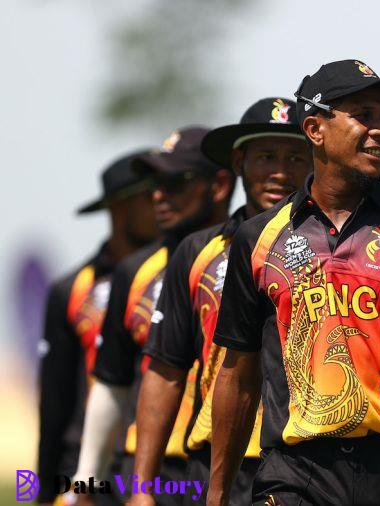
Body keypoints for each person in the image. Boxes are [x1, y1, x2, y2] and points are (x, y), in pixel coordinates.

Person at [207, 59, 380, 506]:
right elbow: (238, 374)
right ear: (315, 129)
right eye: (364, 115)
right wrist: (217, 495)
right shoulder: (258, 238)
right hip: (293, 474)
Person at [129, 97, 312, 505]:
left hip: (303, 461)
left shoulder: (338, 249)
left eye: (295, 157)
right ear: (238, 162)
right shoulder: (198, 252)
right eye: (266, 156)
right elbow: (165, 370)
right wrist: (141, 488)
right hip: (214, 461)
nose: (280, 172)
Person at [74, 127, 235, 505]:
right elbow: (111, 383)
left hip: (221, 468)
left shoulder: (253, 258)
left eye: (175, 181)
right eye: (153, 184)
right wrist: (83, 486)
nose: (159, 195)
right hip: (146, 472)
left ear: (220, 185)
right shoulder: (134, 271)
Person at [37, 151, 158, 505]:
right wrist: (46, 492)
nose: (164, 201)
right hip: (84, 468)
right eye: (150, 195)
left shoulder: (177, 274)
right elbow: (55, 400)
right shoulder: (72, 289)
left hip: (157, 463)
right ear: (120, 206)